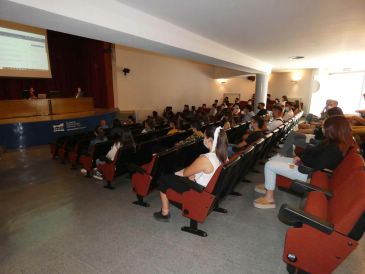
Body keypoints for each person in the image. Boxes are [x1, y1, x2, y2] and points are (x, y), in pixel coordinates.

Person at [254, 115, 355, 209]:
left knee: (269, 165)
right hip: (305, 165)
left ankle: (269, 199)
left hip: (307, 172)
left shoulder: (334, 148)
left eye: (325, 127)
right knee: (274, 159)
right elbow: (312, 151)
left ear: (333, 130)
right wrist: (301, 157)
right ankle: (268, 185)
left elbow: (317, 164)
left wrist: (301, 160)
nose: (323, 129)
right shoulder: (332, 142)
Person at [153, 126, 228, 221]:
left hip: (197, 191)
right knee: (173, 177)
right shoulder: (224, 156)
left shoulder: (206, 158)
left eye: (204, 137)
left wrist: (183, 174)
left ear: (209, 140)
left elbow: (185, 173)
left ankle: (165, 213)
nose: (203, 140)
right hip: (210, 191)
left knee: (163, 178)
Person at [279, 107, 344, 157]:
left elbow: (324, 142)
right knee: (292, 134)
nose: (326, 118)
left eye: (327, 116)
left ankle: (285, 153)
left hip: (316, 142)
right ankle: (286, 152)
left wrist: (312, 139)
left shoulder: (333, 128)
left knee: (294, 140)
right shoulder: (333, 125)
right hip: (315, 138)